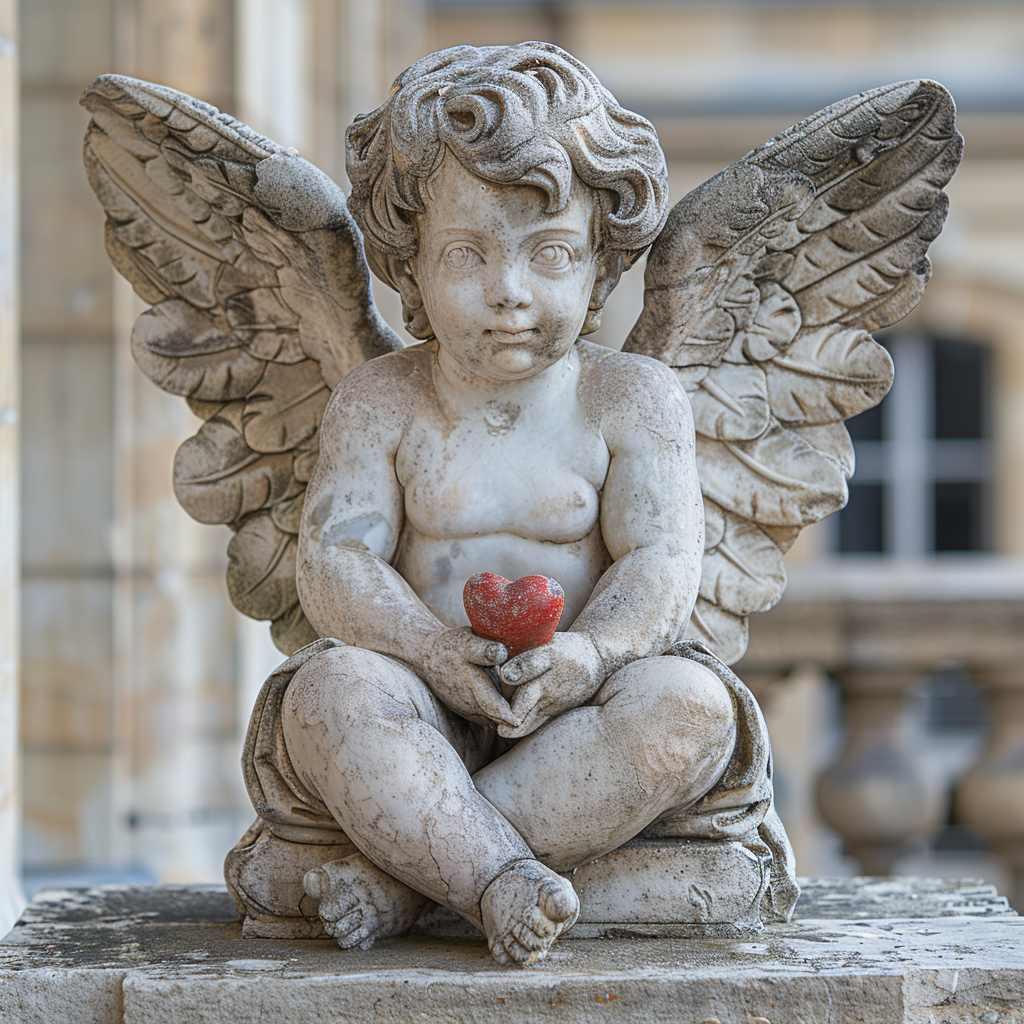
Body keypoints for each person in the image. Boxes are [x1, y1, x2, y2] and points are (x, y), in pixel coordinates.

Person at [227, 42, 784, 967]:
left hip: (585, 705)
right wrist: (430, 651)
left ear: (602, 263)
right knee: (331, 694)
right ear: (409, 264)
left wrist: (591, 655)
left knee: (690, 708)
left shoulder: (630, 398)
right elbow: (334, 560)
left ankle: (414, 876)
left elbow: (661, 561)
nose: (510, 293)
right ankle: (498, 879)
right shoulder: (381, 400)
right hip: (418, 692)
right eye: (465, 255)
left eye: (551, 254)